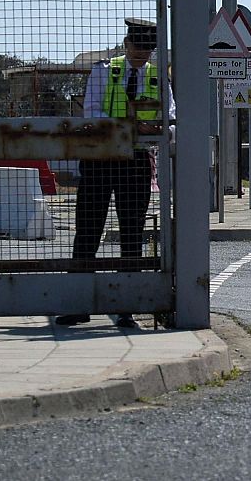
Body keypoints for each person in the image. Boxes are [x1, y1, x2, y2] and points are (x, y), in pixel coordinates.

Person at [57, 18, 174, 329]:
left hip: (136, 160)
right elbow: (92, 112)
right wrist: (128, 127)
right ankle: (79, 304)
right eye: (138, 47)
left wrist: (161, 126)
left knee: (132, 233)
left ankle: (127, 307)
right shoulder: (104, 71)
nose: (142, 55)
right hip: (100, 157)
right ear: (127, 44)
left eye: (148, 49)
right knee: (87, 230)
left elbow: (171, 115)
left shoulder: (158, 75)